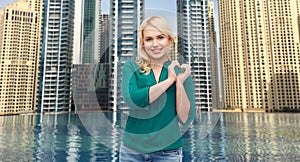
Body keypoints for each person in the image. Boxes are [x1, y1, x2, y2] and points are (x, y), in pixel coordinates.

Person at [120, 16, 196, 162]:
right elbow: (133, 101)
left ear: (170, 40)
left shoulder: (182, 72)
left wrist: (179, 82)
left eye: (160, 37)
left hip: (169, 152)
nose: (155, 44)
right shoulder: (131, 67)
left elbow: (186, 118)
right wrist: (169, 81)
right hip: (132, 151)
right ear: (143, 43)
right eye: (148, 39)